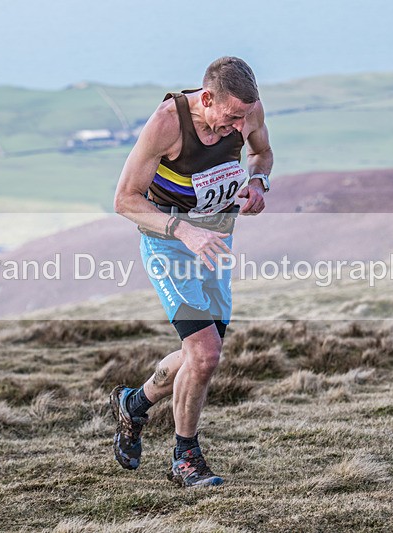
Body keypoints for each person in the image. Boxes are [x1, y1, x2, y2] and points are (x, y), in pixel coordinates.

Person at [111, 57, 273, 487]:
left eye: (245, 117)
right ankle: (185, 459)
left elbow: (262, 153)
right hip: (169, 239)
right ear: (206, 99)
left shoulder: (248, 110)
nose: (240, 127)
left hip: (216, 238)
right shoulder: (167, 123)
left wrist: (258, 184)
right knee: (206, 353)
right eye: (232, 117)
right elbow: (125, 200)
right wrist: (184, 231)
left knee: (200, 354)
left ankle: (135, 403)